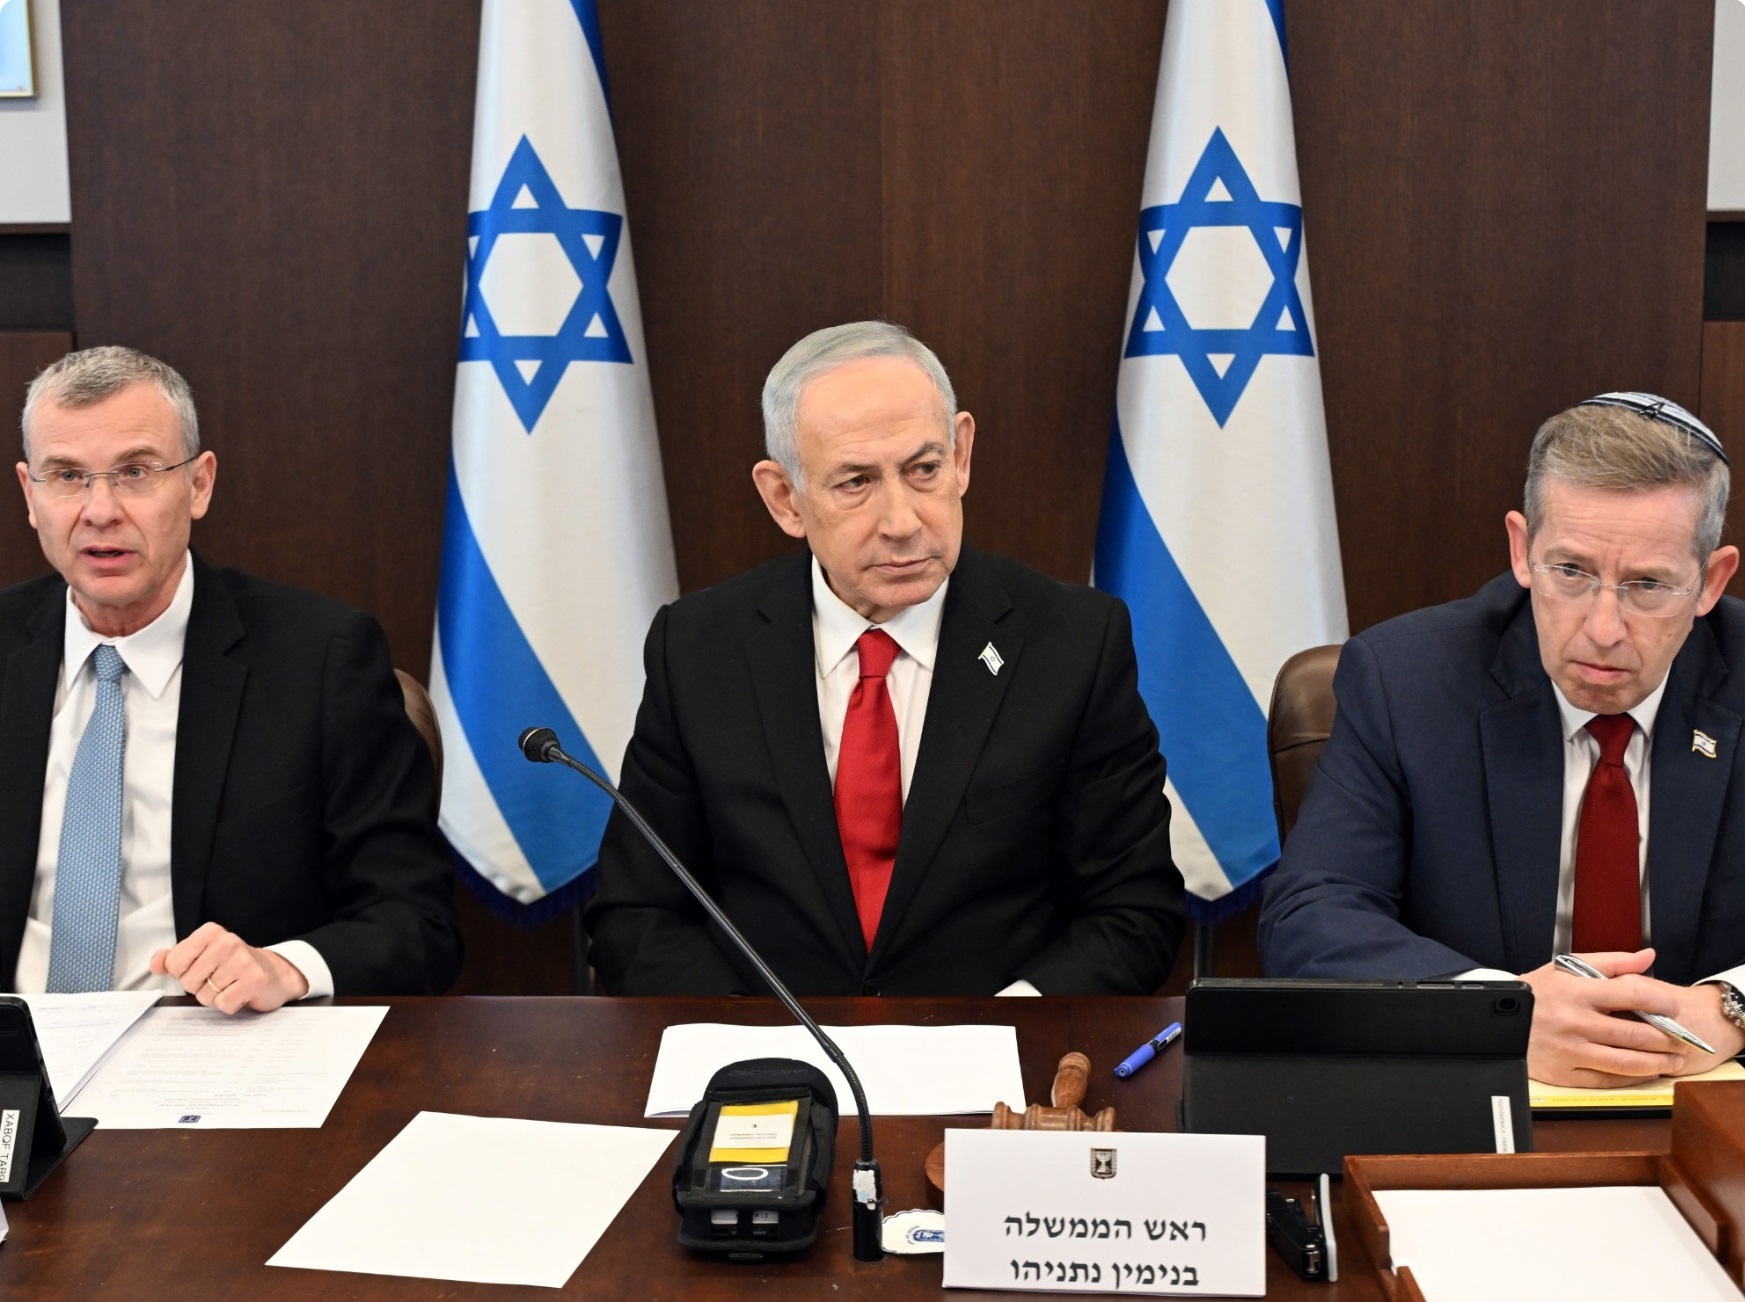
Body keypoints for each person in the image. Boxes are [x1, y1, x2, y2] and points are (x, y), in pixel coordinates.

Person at [585, 321, 1184, 996]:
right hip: (767, 1046)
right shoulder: (698, 649)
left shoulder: (1073, 643)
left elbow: (1134, 912)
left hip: (994, 1049)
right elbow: (635, 914)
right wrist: (751, 1035)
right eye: (855, 482)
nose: (902, 522)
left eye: (923, 470)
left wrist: (1008, 1026)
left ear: (961, 454)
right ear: (785, 498)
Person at [1259, 393, 1745, 1086]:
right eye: (1571, 572)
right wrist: (1496, 1012)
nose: (1603, 629)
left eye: (1647, 584)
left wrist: (1733, 1007)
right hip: (1477, 1095)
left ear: (1710, 581)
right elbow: (1310, 915)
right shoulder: (1406, 680)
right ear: (1521, 550)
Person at [2, 346, 460, 1010]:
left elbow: (417, 922)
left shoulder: (319, 660)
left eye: (135, 472)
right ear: (30, 494)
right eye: (68, 476)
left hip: (214, 1045)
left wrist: (284, 967)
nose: (100, 510)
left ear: (199, 484)